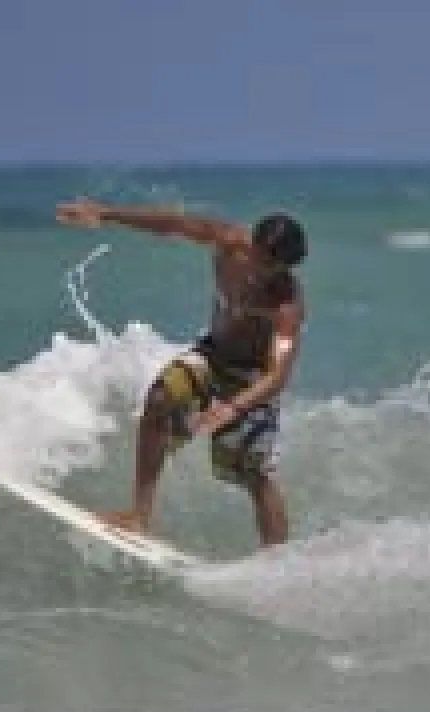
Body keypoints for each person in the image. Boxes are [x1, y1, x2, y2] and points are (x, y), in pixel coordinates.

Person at [55, 198, 306, 548]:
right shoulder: (228, 241)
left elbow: (277, 376)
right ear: (253, 244)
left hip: (253, 380)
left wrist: (233, 408)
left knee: (252, 474)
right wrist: (106, 213)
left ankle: (277, 558)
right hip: (213, 355)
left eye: (276, 268)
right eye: (262, 260)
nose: (264, 273)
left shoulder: (286, 304)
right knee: (161, 397)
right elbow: (174, 224)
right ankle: (139, 516)